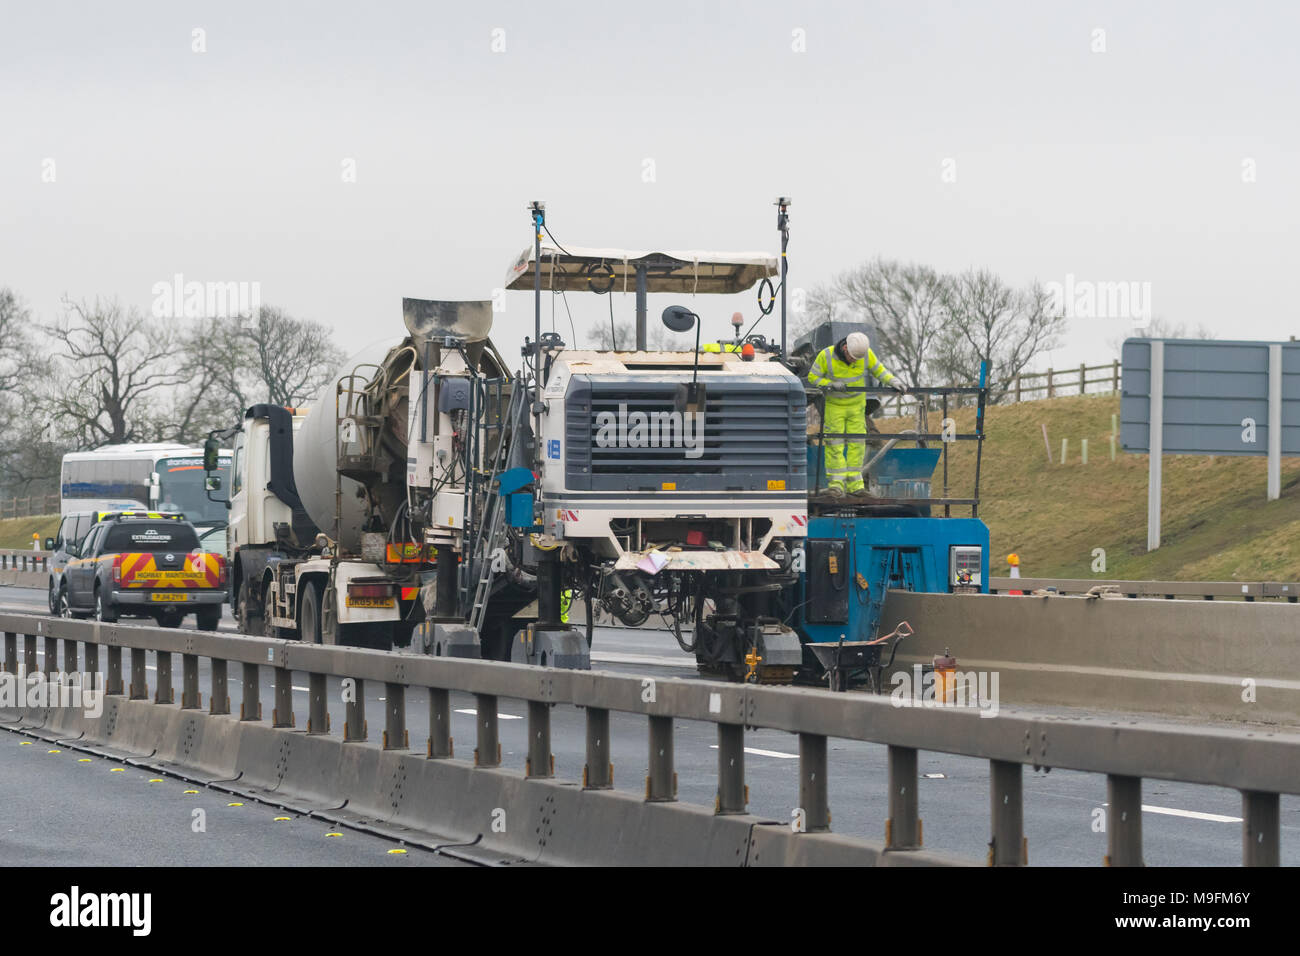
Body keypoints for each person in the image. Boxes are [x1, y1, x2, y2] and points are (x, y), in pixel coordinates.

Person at [807, 332, 906, 496]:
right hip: (834, 407)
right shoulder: (826, 356)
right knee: (834, 446)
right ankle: (836, 486)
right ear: (845, 348)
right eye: (852, 357)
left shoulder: (865, 355)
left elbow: (879, 371)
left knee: (857, 446)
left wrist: (894, 381)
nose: (855, 361)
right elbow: (813, 378)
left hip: (856, 408)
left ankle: (855, 487)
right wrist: (830, 384)